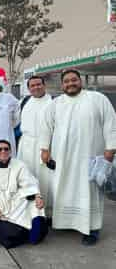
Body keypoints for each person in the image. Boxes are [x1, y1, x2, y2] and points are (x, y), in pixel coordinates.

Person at [40, 69, 116, 245]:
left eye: (74, 80)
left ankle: (92, 229)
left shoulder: (97, 99)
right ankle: (67, 223)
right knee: (63, 187)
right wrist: (45, 149)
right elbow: (46, 127)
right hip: (64, 158)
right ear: (62, 85)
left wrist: (110, 149)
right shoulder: (56, 103)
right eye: (66, 81)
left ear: (80, 81)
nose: (70, 83)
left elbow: (110, 123)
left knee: (89, 192)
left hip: (90, 158)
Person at [0, 140, 48, 249]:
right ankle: (24, 232)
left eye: (6, 149)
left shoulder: (19, 165)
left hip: (14, 201)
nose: (3, 151)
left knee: (35, 203)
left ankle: (35, 227)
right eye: (0, 149)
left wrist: (37, 196)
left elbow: (29, 182)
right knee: (7, 239)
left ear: (10, 151)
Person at [17, 76, 53, 216]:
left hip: (45, 145)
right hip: (26, 145)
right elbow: (16, 120)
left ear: (44, 85)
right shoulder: (24, 101)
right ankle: (28, 208)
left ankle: (46, 211)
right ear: (28, 88)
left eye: (39, 84)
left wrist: (49, 148)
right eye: (32, 85)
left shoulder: (53, 102)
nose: (36, 87)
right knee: (27, 175)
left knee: (45, 179)